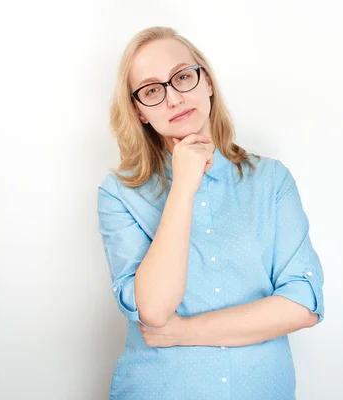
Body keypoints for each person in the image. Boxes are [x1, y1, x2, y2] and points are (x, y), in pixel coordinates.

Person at [96, 26, 325, 400]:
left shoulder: (271, 180)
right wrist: (183, 185)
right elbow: (154, 309)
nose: (173, 99)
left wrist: (183, 332)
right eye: (153, 90)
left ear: (207, 83)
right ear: (138, 110)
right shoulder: (119, 194)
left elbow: (303, 305)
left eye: (183, 77)